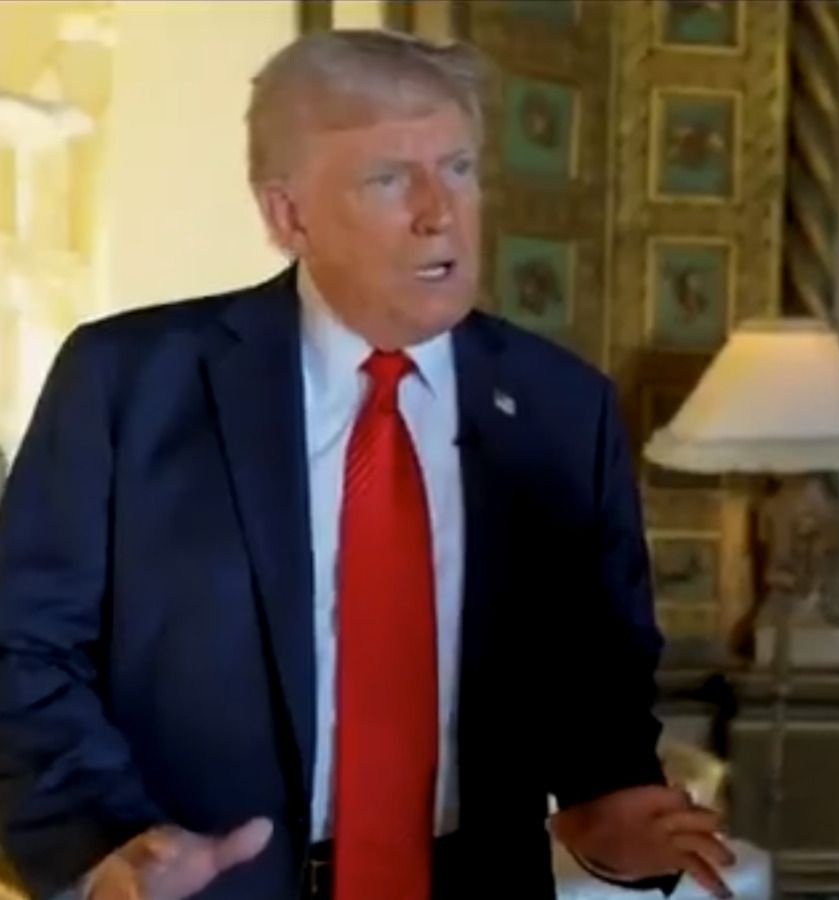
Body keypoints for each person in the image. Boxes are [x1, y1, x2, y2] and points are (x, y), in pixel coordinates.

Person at [0, 29, 733, 900]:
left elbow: (600, 690)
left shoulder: (564, 409)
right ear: (288, 216)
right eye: (389, 178)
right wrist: (104, 840)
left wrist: (616, 820)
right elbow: (23, 645)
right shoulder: (131, 382)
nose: (439, 211)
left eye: (458, 167)